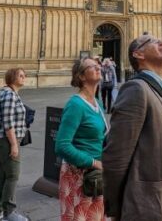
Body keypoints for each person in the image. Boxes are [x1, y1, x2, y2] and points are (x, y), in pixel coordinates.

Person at [103, 34, 162, 221]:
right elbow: (116, 156)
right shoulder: (136, 89)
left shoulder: (161, 89)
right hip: (150, 207)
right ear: (138, 54)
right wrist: (115, 209)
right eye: (153, 42)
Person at [55, 58, 108, 221]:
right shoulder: (75, 105)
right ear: (82, 76)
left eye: (98, 65)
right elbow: (61, 146)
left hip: (96, 176)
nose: (98, 67)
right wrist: (92, 162)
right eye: (93, 66)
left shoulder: (98, 103)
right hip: (78, 176)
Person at [0, 69, 29, 221]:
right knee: (12, 175)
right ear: (12, 77)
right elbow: (8, 123)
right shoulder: (9, 95)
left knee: (3, 175)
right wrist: (13, 144)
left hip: (2, 139)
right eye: (20, 75)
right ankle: (9, 213)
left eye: (24, 75)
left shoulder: (8, 93)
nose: (24, 77)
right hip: (6, 140)